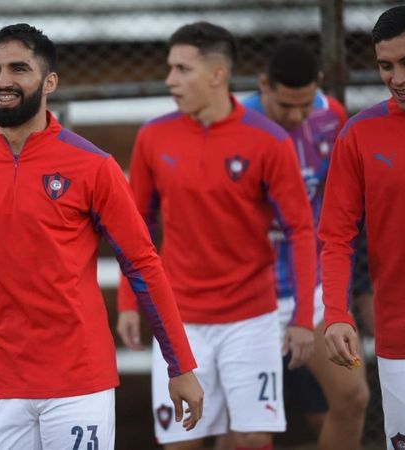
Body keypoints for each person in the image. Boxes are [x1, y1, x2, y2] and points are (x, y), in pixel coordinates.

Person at [0, 23, 203, 450]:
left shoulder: (93, 165)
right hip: (1, 386)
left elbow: (143, 264)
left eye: (19, 69)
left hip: (79, 382)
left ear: (49, 82)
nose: (2, 81)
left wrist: (179, 365)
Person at [116, 22, 317, 450]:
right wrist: (130, 302)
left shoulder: (269, 140)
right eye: (170, 68)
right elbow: (136, 226)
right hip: (179, 320)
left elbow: (301, 229)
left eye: (182, 69)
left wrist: (302, 317)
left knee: (250, 438)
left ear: (217, 75)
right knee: (181, 442)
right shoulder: (154, 136)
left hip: (251, 318)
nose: (170, 79)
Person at [242, 41, 369, 450]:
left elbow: (343, 205)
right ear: (264, 85)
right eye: (284, 107)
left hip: (309, 289)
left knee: (352, 398)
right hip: (249, 296)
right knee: (249, 431)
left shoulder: (332, 116)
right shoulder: (237, 125)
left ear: (318, 86)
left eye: (305, 105)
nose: (297, 117)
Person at [319, 3, 405, 449]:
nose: (397, 78)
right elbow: (335, 237)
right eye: (385, 66)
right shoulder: (358, 135)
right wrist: (336, 314)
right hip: (403, 341)